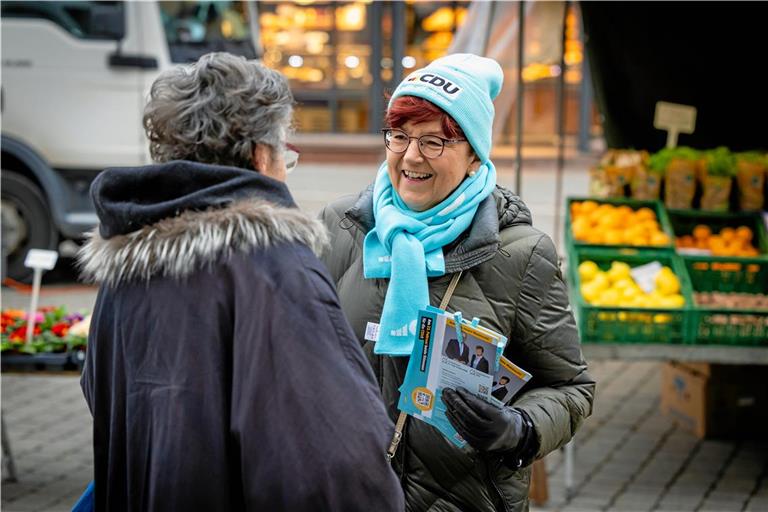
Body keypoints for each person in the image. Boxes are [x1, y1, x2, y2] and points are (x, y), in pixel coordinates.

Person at [78, 52, 404, 512]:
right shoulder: (274, 269)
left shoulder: (125, 265)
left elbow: (101, 395)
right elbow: (338, 466)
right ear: (258, 154)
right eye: (285, 154)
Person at [319, 53, 595, 511]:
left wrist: (518, 429)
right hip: (346, 492)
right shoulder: (342, 227)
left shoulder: (522, 254)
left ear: (473, 156)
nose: (411, 156)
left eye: (434, 142)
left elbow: (571, 388)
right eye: (400, 136)